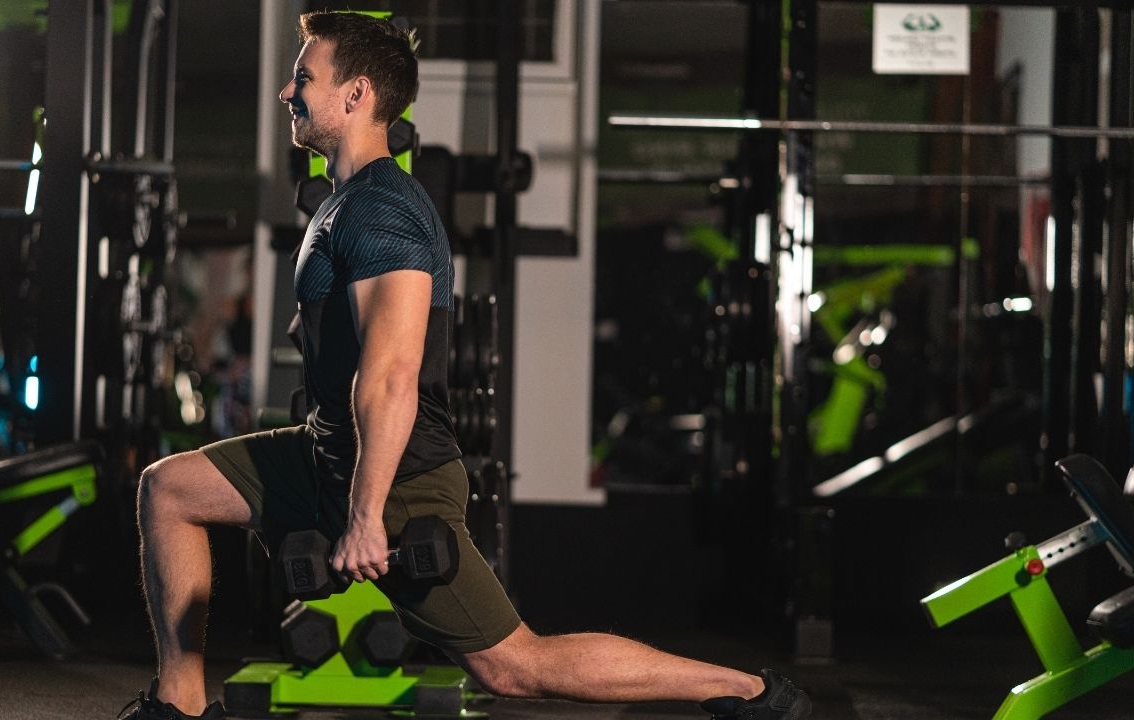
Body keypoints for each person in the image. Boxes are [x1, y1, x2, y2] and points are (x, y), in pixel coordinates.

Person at [119, 11, 812, 720]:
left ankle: (747, 694)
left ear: (356, 94)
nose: (287, 93)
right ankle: (179, 703)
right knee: (171, 490)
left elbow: (392, 376)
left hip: (399, 480)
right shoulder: (344, 203)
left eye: (304, 78)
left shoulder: (382, 210)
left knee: (513, 667)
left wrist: (365, 515)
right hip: (329, 453)